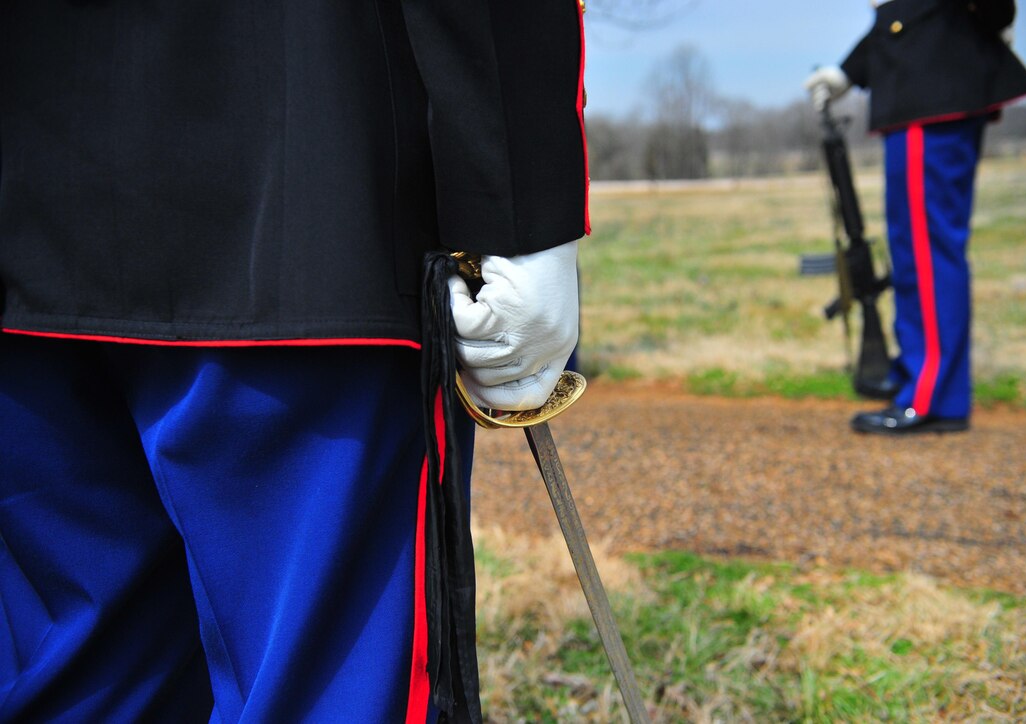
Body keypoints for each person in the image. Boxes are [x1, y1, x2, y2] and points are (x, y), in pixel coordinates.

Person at [0, 1, 588, 722]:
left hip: (26, 229)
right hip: (311, 204)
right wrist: (521, 208)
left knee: (84, 685)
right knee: (325, 698)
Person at [805, 0, 1026, 435]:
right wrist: (848, 72)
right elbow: (903, 17)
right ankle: (921, 374)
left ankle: (933, 394)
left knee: (928, 251)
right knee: (912, 252)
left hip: (934, 99)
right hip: (920, 99)